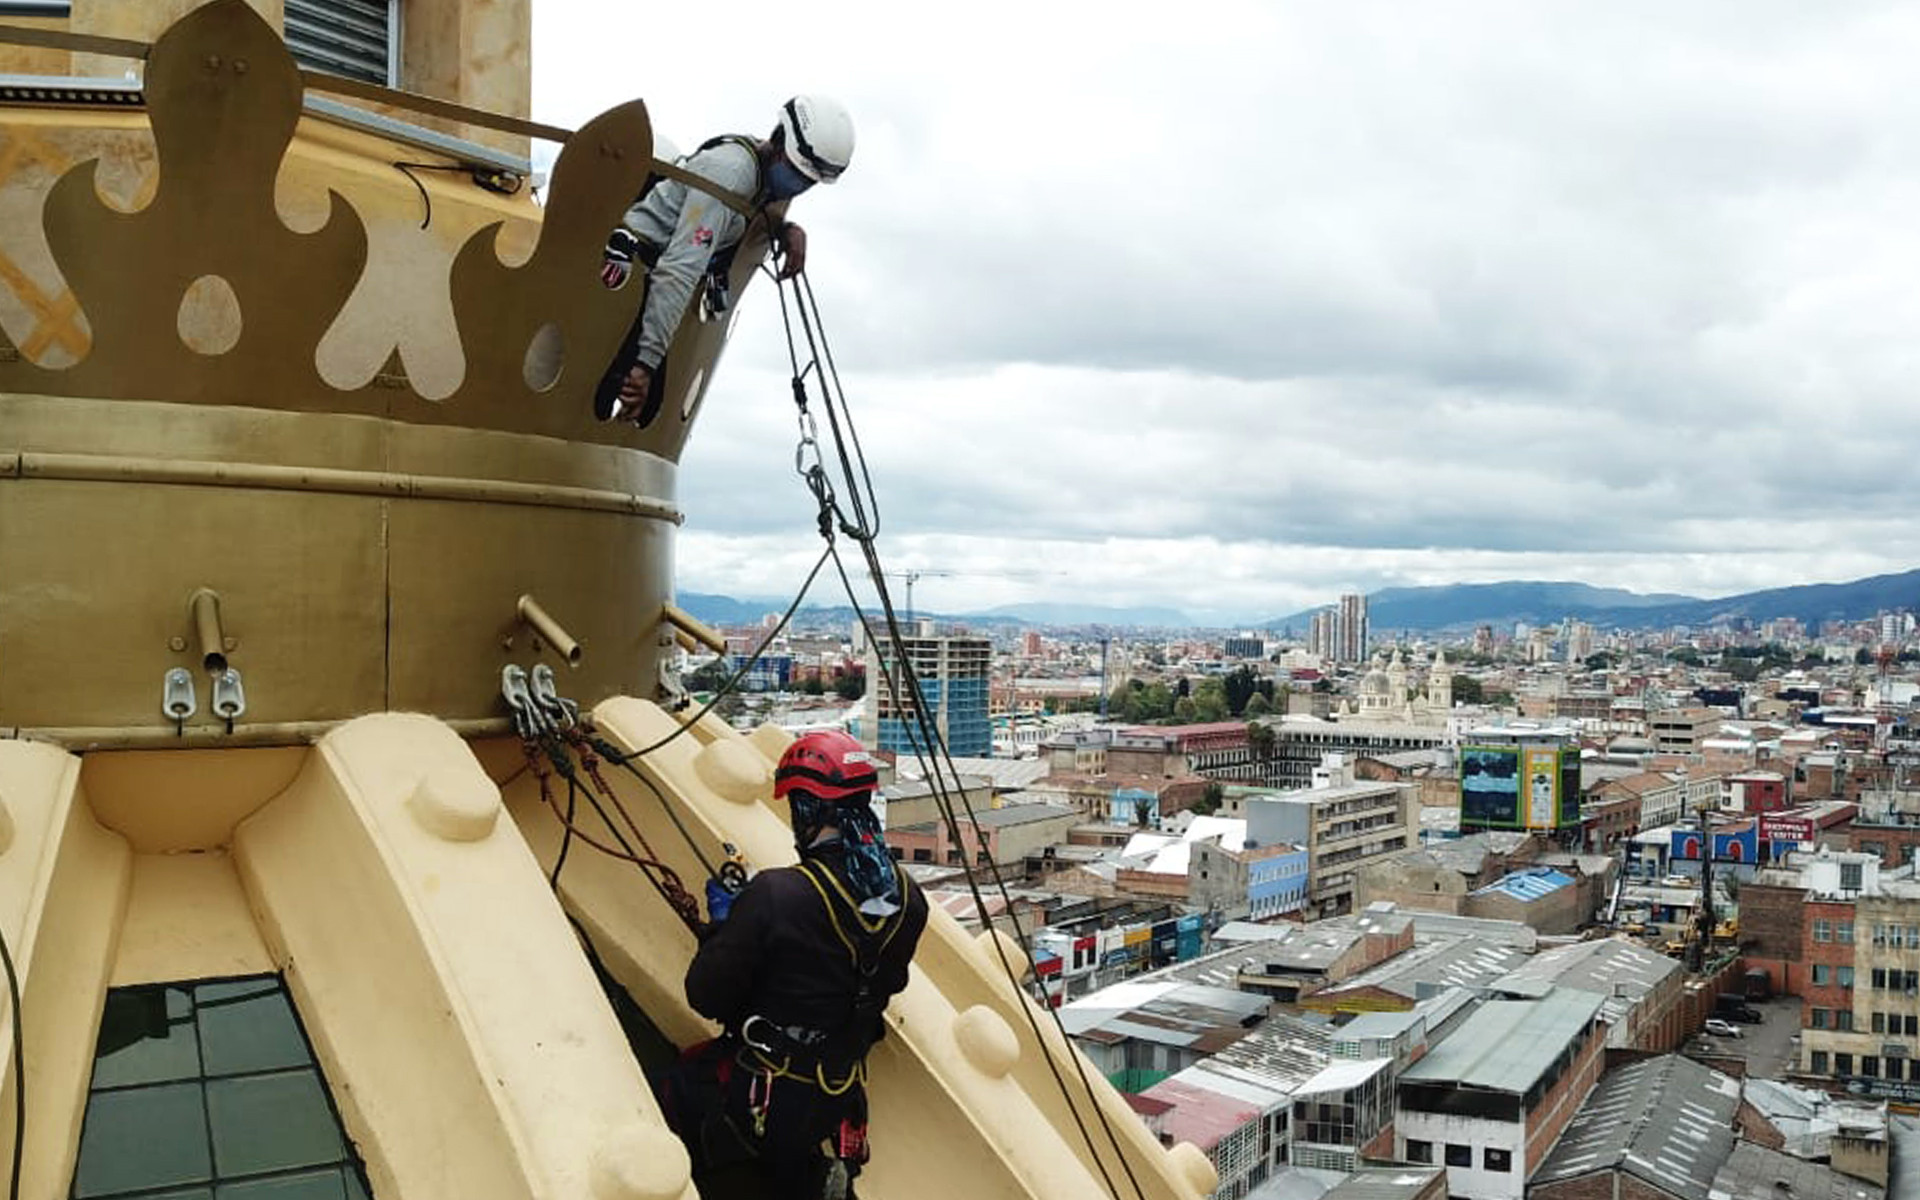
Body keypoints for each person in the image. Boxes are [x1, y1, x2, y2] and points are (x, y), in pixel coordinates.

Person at [657, 730, 927, 1200]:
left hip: (766, 1090)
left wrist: (726, 923)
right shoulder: (909, 898)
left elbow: (705, 994)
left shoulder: (776, 894)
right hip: (840, 1090)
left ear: (807, 810)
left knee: (681, 1081)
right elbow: (883, 979)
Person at [596, 95, 856, 425]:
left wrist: (785, 229)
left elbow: (746, 215)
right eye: (797, 173)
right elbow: (679, 268)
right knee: (624, 400)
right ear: (778, 142)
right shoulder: (731, 173)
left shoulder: (761, 176)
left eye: (809, 182)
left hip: (657, 288)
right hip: (632, 280)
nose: (799, 186)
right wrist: (645, 363)